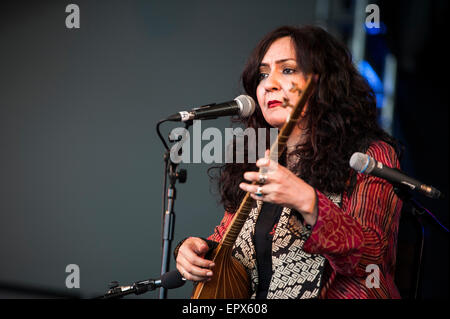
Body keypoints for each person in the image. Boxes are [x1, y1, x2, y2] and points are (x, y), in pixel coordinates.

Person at [174, 25, 403, 299]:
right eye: (263, 74)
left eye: (288, 70)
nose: (269, 83)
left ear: (324, 82)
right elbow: (229, 242)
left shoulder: (369, 155)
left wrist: (310, 203)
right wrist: (194, 252)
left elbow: (374, 257)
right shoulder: (258, 158)